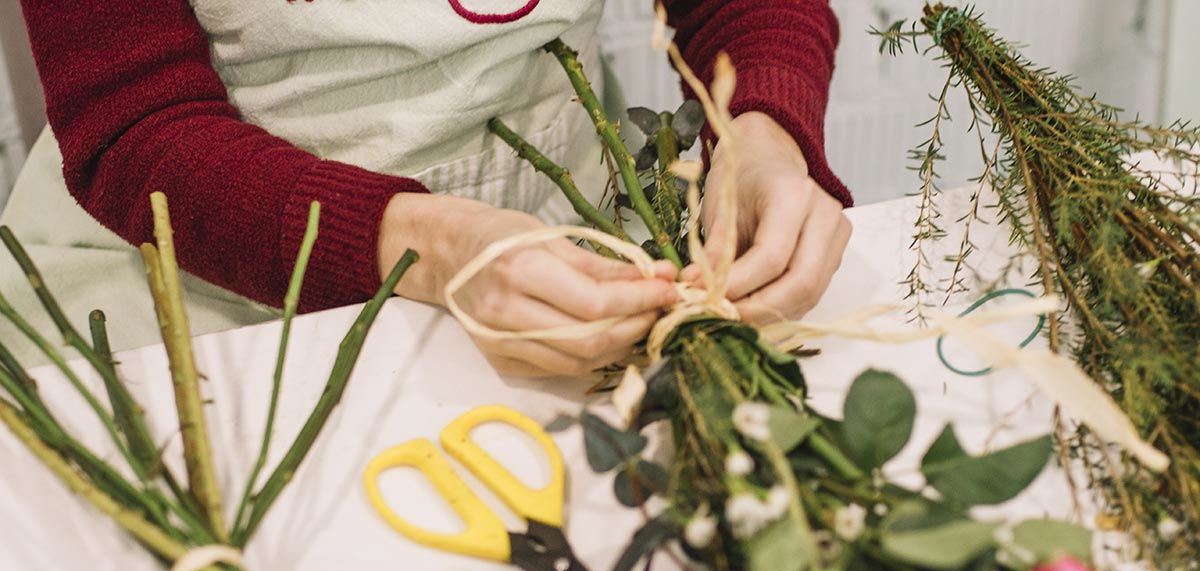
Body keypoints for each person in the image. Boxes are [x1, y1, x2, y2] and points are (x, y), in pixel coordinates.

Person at [5, 0, 852, 375]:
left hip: (566, 257)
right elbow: (134, 124)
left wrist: (761, 136)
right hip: (202, 292)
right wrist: (429, 246)